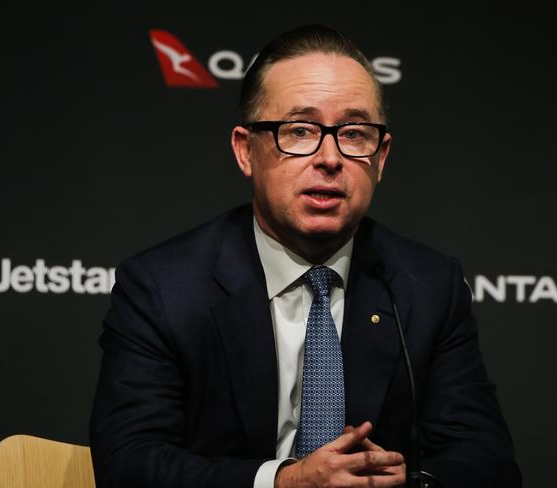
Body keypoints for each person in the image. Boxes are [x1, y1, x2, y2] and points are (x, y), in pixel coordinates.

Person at [90, 24, 521, 488]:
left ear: (381, 158)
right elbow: (130, 462)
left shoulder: (427, 285)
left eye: (354, 133)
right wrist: (284, 483)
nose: (330, 157)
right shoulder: (163, 286)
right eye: (299, 130)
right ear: (245, 151)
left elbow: (489, 461)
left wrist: (408, 483)